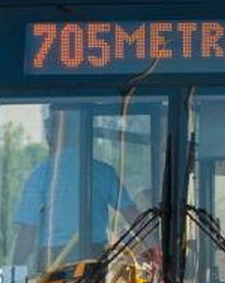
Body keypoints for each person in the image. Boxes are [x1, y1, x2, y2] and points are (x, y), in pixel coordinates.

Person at [12, 109, 139, 274]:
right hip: (94, 258)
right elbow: (132, 215)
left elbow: (27, 234)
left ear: (50, 136)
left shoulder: (39, 176)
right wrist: (156, 250)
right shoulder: (104, 172)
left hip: (52, 260)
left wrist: (13, 273)